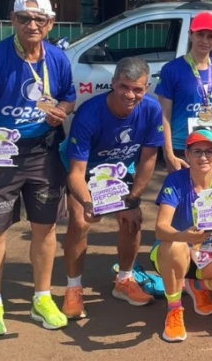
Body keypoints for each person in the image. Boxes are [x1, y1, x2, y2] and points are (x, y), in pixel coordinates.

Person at [0, 0, 76, 338]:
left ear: (50, 24)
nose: (32, 24)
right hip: (1, 154)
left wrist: (61, 111)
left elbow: (68, 96)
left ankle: (42, 298)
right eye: (24, 18)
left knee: (45, 228)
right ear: (13, 21)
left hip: (44, 151)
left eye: (39, 19)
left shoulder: (58, 58)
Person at [62, 57, 164, 318]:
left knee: (133, 219)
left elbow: (148, 158)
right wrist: (87, 202)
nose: (130, 95)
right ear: (113, 83)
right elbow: (76, 172)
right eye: (124, 87)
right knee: (80, 221)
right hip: (86, 171)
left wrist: (134, 197)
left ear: (146, 87)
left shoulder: (152, 109)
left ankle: (125, 280)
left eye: (138, 89)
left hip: (120, 171)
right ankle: (73, 288)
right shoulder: (89, 113)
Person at [152, 128, 212, 342]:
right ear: (187, 154)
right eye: (196, 151)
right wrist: (185, 237)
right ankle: (175, 309)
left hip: (210, 251)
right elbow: (161, 228)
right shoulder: (175, 181)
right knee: (176, 245)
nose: (203, 157)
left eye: (209, 151)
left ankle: (196, 285)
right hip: (175, 253)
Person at [156, 12, 212, 173]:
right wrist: (168, 153)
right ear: (190, 34)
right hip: (183, 146)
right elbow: (164, 116)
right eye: (200, 35)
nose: (205, 41)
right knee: (185, 195)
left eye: (210, 36)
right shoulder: (172, 70)